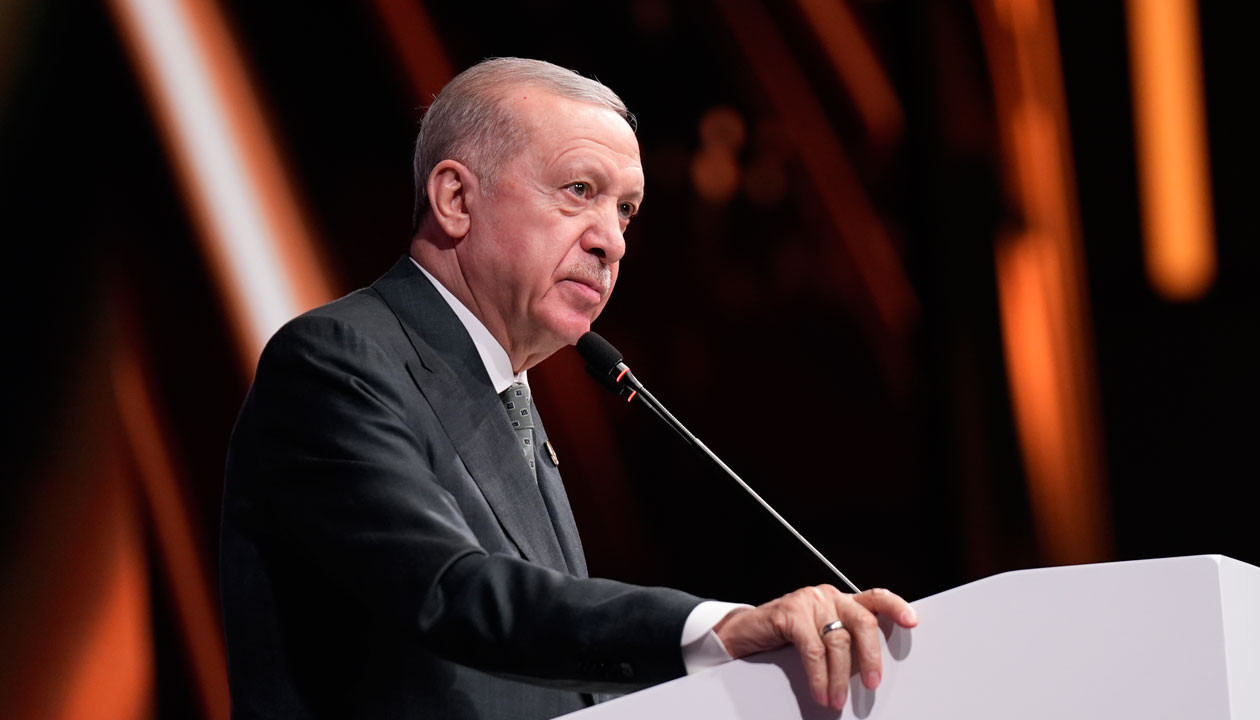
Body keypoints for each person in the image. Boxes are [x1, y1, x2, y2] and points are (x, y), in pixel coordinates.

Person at [221, 57, 917, 720]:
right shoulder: (337, 362)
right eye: (579, 191)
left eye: (626, 210)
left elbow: (558, 669)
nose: (612, 240)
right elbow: (450, 590)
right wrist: (717, 628)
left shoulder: (509, 401)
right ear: (456, 198)